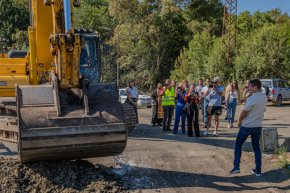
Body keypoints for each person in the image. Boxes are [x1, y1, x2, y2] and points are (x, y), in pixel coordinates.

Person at [230, 79, 267, 177]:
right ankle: (258, 170)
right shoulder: (264, 97)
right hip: (257, 126)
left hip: (247, 126)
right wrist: (246, 98)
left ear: (255, 87)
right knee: (256, 148)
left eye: (250, 87)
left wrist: (239, 121)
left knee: (238, 144)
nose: (248, 88)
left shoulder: (252, 98)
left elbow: (244, 112)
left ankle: (236, 167)